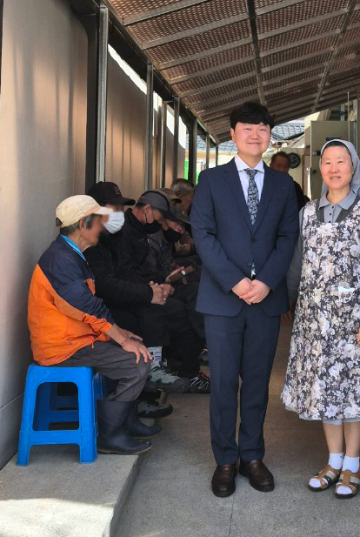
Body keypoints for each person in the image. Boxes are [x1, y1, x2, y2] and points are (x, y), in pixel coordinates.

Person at [191, 102, 299, 498]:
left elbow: (288, 238)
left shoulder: (284, 185)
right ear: (233, 134)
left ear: (270, 136)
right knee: (222, 382)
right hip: (223, 300)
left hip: (266, 301)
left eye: (263, 129)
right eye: (247, 129)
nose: (256, 135)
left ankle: (252, 455)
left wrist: (267, 282)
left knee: (256, 382)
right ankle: (224, 458)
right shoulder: (211, 179)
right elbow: (203, 234)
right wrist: (237, 281)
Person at [282, 139, 360, 499]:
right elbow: (298, 262)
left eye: (342, 161)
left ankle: (353, 465)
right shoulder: (307, 211)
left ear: (354, 167)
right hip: (315, 320)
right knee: (326, 391)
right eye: (327, 162)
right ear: (320, 169)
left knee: (353, 391)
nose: (334, 168)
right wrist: (289, 300)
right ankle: (333, 461)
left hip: (353, 319)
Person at [27, 195, 160, 455]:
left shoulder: (70, 254)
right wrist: (121, 339)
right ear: (83, 224)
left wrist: (121, 334)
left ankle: (126, 421)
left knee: (136, 346)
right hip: (63, 347)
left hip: (76, 339)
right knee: (138, 362)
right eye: (99, 221)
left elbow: (91, 306)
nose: (103, 226)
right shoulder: (61, 260)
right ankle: (110, 435)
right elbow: (85, 307)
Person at [107, 189, 209, 393]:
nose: (160, 224)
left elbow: (143, 270)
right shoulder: (125, 232)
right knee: (175, 311)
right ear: (146, 209)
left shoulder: (139, 231)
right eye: (160, 218)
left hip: (144, 287)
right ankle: (160, 367)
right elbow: (123, 273)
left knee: (188, 306)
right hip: (129, 295)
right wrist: (153, 289)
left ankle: (186, 368)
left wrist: (159, 284)